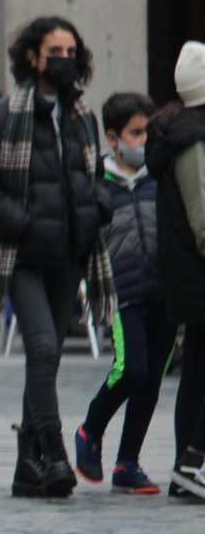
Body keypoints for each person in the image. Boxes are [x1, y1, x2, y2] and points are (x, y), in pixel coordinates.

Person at [0, 15, 114, 498]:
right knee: (44, 349)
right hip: (23, 257)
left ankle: (27, 464)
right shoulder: (4, 115)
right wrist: (19, 223)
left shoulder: (81, 116)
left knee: (48, 360)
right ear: (32, 56)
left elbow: (96, 175)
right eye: (55, 52)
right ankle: (53, 452)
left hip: (70, 255)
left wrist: (97, 208)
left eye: (71, 52)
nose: (65, 60)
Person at [72, 93, 172, 494]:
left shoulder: (159, 177)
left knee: (151, 380)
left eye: (148, 132)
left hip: (163, 292)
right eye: (135, 133)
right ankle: (90, 430)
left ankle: (127, 462)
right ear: (113, 138)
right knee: (131, 368)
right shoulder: (98, 182)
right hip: (121, 292)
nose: (143, 140)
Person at [150, 42, 205, 501]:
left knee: (198, 367)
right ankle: (193, 460)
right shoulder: (194, 139)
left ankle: (186, 467)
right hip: (198, 270)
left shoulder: (182, 132)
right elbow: (203, 217)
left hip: (188, 271)